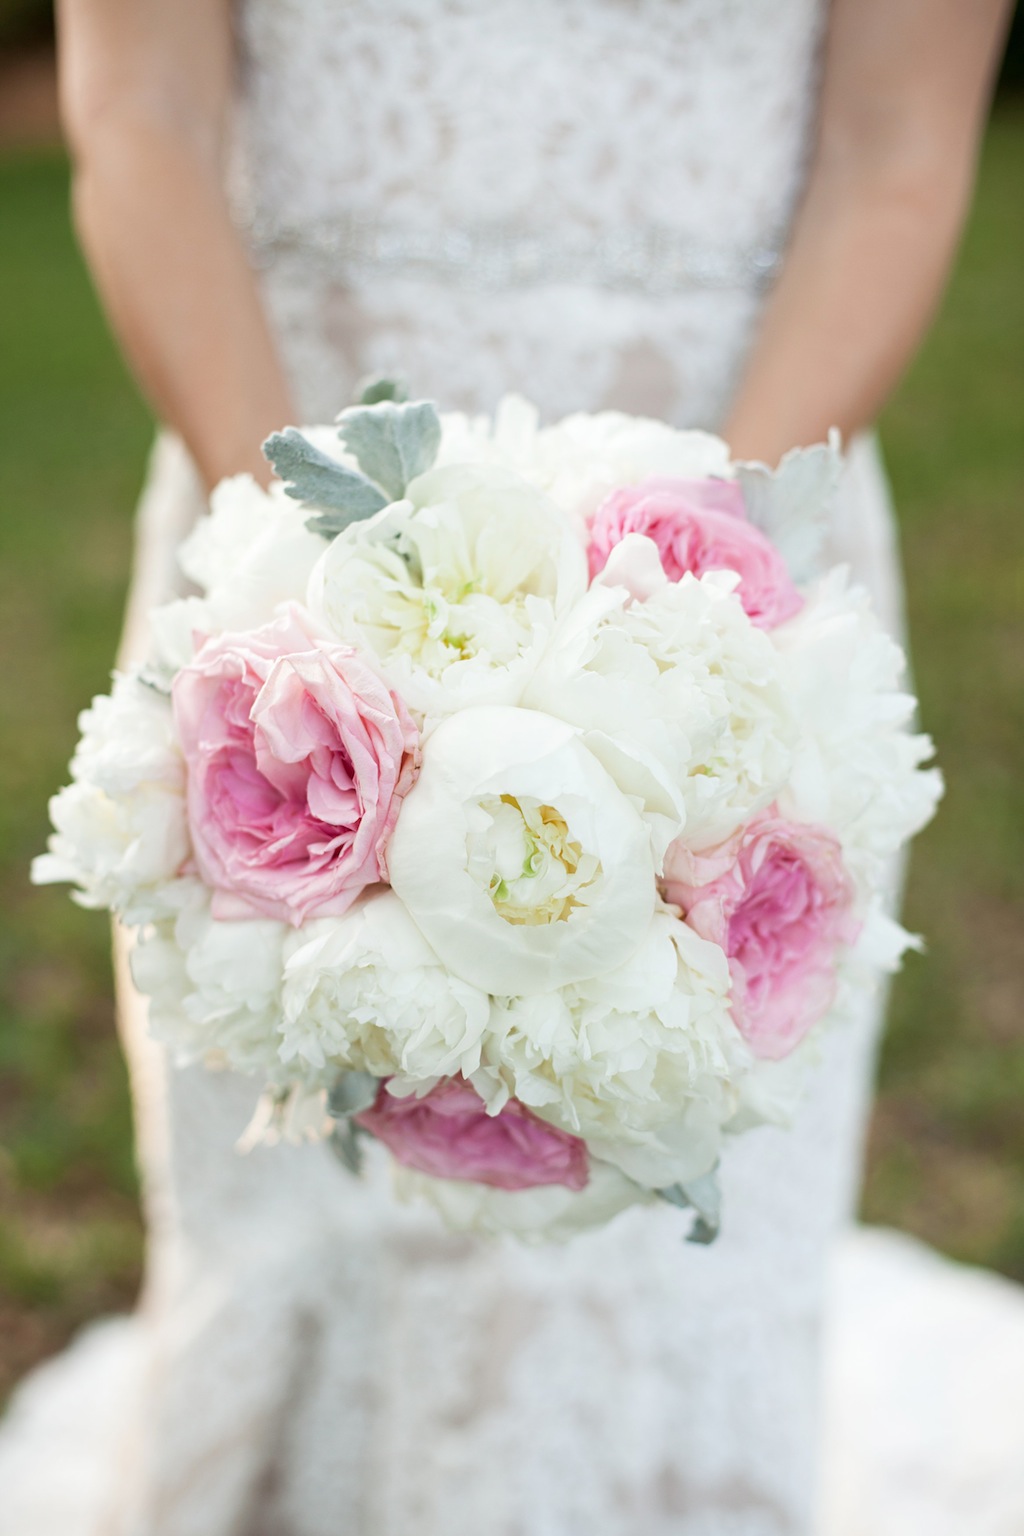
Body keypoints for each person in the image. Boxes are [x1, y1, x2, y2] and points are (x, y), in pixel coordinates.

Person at [0, 3, 1016, 1534]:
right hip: (277, 497)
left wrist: (695, 600)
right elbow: (140, 112)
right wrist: (318, 590)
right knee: (297, 1162)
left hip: (732, 532)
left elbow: (896, 143)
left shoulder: (717, 585)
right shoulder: (290, 572)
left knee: (665, 1121)